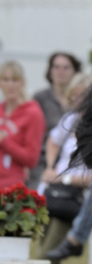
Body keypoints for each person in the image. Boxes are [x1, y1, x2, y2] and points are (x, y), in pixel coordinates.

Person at [36, 72, 92, 264]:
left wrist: (64, 178)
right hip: (53, 194)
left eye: (82, 95)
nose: (77, 99)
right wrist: (50, 166)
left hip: (74, 198)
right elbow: (52, 140)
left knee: (45, 257)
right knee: (46, 257)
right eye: (74, 95)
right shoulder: (70, 120)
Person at [30, 52, 82, 188]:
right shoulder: (40, 97)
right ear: (50, 70)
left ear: (75, 71)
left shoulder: (82, 99)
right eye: (56, 67)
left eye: (66, 67)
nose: (61, 71)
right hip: (42, 159)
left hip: (72, 160)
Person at [0, 60, 46, 189]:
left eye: (15, 80)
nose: (10, 85)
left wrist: (4, 141)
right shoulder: (1, 109)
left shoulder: (32, 113)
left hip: (12, 187)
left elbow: (31, 159)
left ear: (22, 82)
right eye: (6, 80)